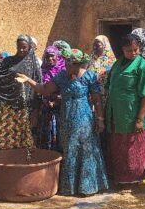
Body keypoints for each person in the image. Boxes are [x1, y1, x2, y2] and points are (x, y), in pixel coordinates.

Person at [17, 49, 109, 196]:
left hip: (85, 120)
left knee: (86, 151)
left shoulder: (89, 76)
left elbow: (97, 100)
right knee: (70, 150)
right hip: (67, 120)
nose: (65, 66)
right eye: (65, 63)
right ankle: (71, 188)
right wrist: (28, 80)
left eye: (69, 64)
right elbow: (45, 90)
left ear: (77, 64)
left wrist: (100, 119)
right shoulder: (61, 77)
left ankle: (88, 187)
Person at [0, 35, 41, 150]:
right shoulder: (9, 61)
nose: (21, 50)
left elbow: (38, 88)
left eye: (24, 47)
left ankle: (22, 166)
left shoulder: (35, 65)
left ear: (30, 47)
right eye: (19, 47)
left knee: (25, 140)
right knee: (6, 138)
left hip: (26, 108)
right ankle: (6, 164)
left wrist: (35, 110)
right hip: (7, 106)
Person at [105, 34, 145, 184]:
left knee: (134, 150)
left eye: (135, 50)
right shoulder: (117, 64)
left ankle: (136, 181)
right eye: (128, 50)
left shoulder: (143, 66)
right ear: (122, 50)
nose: (133, 53)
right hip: (116, 115)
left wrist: (140, 119)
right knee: (119, 149)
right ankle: (121, 179)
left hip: (133, 115)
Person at [38, 45, 66, 151]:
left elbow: (69, 89)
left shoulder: (64, 71)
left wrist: (57, 100)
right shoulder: (42, 70)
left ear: (57, 56)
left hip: (61, 109)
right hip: (46, 110)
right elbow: (40, 88)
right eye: (47, 56)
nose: (50, 59)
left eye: (52, 56)